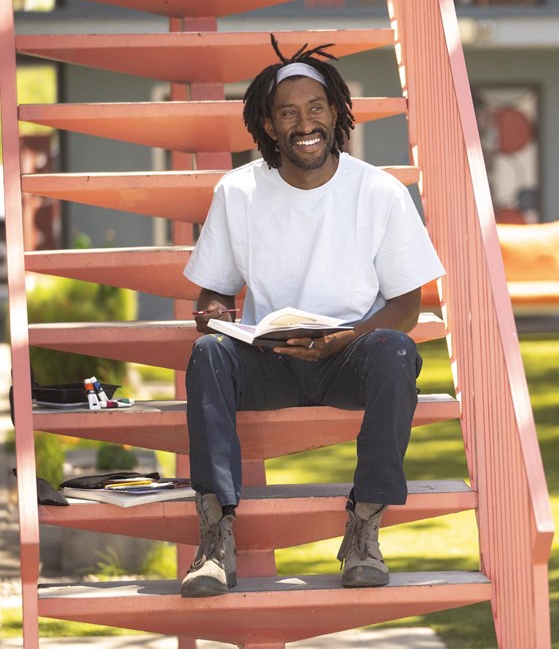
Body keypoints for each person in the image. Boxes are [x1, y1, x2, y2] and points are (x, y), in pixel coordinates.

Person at [179, 38, 445, 598]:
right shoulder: (239, 191)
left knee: (397, 350)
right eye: (289, 112)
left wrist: (344, 338)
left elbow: (407, 304)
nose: (306, 123)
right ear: (269, 126)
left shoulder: (379, 191)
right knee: (207, 355)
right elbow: (213, 291)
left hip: (348, 356)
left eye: (316, 108)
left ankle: (363, 530)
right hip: (267, 357)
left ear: (336, 113)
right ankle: (214, 539)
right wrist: (212, 316)